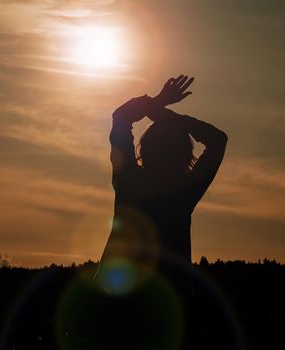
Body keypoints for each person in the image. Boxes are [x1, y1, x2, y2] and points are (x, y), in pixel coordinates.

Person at [93, 74, 228, 348]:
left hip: (113, 306)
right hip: (167, 315)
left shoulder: (129, 180)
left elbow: (121, 118)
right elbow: (217, 140)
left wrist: (157, 104)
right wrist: (168, 117)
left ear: (146, 148)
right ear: (185, 155)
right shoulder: (183, 192)